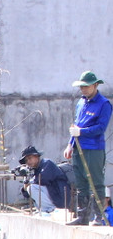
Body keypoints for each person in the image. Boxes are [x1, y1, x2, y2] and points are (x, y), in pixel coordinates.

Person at [65, 71, 111, 225]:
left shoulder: (104, 104)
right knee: (81, 183)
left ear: (95, 85)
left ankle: (98, 216)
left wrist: (82, 132)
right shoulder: (81, 102)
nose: (83, 89)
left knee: (96, 182)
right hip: (78, 147)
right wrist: (70, 144)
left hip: (94, 148)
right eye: (81, 87)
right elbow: (76, 125)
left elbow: (101, 127)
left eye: (86, 86)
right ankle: (82, 216)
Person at [16, 145, 71, 216]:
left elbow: (42, 179)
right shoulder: (35, 170)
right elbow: (27, 195)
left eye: (30, 158)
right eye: (26, 160)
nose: (28, 162)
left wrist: (30, 181)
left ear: (36, 156)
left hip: (59, 197)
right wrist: (25, 181)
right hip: (53, 196)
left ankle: (51, 209)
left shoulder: (47, 163)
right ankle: (45, 210)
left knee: (31, 188)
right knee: (30, 188)